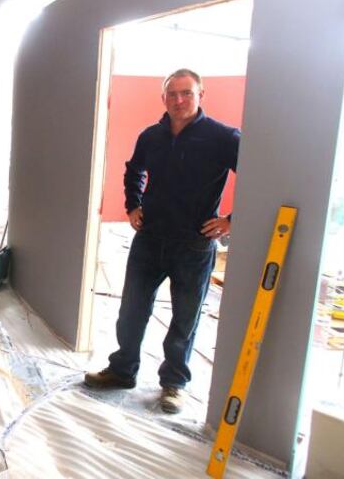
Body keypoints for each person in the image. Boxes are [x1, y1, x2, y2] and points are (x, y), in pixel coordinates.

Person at [84, 68, 240, 414]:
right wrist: (132, 205)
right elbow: (133, 170)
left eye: (186, 93)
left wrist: (231, 220)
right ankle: (123, 370)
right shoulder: (151, 136)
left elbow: (256, 175)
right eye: (172, 94)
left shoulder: (223, 138)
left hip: (193, 244)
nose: (179, 100)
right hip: (150, 238)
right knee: (131, 310)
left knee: (185, 318)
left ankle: (173, 384)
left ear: (201, 95)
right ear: (164, 98)